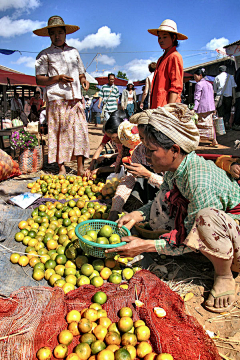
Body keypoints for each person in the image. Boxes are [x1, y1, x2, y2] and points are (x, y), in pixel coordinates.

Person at [106, 103, 240, 313]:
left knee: (205, 218)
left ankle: (224, 274)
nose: (147, 157)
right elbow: (161, 199)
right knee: (164, 202)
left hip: (233, 236)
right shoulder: (174, 170)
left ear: (174, 150)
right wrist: (137, 214)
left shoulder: (198, 179)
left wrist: (146, 245)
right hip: (218, 228)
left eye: (151, 151)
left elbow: (194, 235)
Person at [34, 15, 90, 175]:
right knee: (59, 133)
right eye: (53, 33)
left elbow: (81, 72)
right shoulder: (44, 55)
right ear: (49, 35)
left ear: (65, 33)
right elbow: (39, 79)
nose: (57, 36)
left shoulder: (74, 52)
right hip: (57, 99)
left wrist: (84, 80)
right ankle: (61, 167)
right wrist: (57, 78)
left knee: (79, 132)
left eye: (60, 32)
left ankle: (80, 167)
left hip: (75, 99)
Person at [108, 110, 164, 221]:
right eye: (142, 138)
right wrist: (115, 208)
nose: (145, 143)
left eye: (148, 137)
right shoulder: (139, 151)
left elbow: (173, 188)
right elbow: (129, 179)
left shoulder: (166, 152)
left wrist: (148, 175)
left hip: (166, 196)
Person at [148, 19, 187, 108]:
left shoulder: (175, 56)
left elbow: (176, 86)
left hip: (166, 108)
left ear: (173, 38)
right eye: (159, 37)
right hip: (157, 106)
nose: (161, 40)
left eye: (164, 37)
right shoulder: (161, 59)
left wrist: (169, 110)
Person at [193, 68, 218, 147]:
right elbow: (212, 96)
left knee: (199, 124)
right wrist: (214, 108)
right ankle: (214, 140)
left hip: (202, 108)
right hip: (210, 107)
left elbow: (197, 98)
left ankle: (196, 141)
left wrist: (194, 109)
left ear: (200, 75)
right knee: (210, 124)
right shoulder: (209, 84)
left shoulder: (199, 84)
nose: (194, 79)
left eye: (195, 77)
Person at [213, 65, 236, 130]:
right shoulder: (230, 77)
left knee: (220, 112)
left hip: (220, 97)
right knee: (228, 111)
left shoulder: (217, 77)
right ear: (225, 70)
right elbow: (233, 88)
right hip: (229, 97)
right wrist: (234, 98)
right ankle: (227, 124)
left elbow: (214, 90)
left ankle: (221, 127)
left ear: (219, 71)